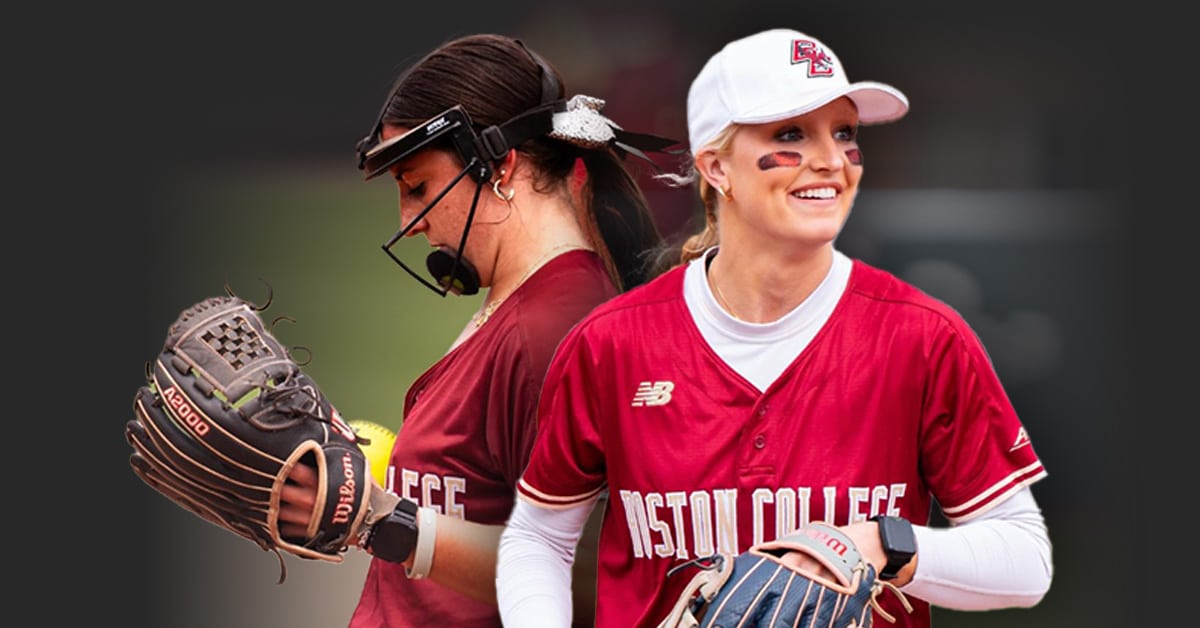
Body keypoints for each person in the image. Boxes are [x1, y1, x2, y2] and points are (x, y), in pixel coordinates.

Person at [495, 28, 1054, 627]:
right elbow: (539, 539)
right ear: (716, 167)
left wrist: (882, 544)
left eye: (844, 134)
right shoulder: (613, 343)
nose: (832, 160)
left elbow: (1024, 561)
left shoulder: (921, 336)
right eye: (791, 134)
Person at [276, 33, 677, 627]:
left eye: (417, 187)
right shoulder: (520, 299)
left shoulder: (555, 326)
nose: (407, 222)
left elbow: (588, 577)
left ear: (500, 163)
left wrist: (381, 521)